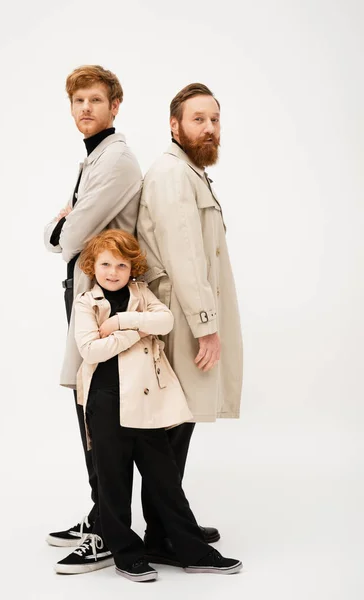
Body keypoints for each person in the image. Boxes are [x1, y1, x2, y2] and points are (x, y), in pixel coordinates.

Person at [55, 229, 243, 582]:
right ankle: (126, 555)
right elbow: (91, 350)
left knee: (165, 481)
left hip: (147, 401)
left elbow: (166, 321)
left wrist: (122, 322)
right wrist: (137, 333)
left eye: (122, 265)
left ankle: (191, 550)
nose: (113, 272)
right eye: (106, 264)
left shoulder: (142, 294)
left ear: (132, 268)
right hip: (105, 401)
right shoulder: (86, 302)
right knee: (113, 482)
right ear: (93, 266)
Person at [137, 83, 243, 565]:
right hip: (180, 322)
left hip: (186, 317)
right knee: (170, 431)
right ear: (174, 124)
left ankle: (165, 528)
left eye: (215, 119)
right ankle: (174, 537)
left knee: (176, 430)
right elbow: (184, 255)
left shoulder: (190, 173)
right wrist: (205, 325)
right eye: (198, 119)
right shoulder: (172, 174)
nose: (209, 128)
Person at [43, 65, 142, 550]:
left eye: (95, 100)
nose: (85, 108)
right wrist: (60, 228)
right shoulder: (93, 158)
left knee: (99, 409)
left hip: (106, 298)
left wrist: (64, 227)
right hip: (84, 292)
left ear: (114, 107)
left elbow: (72, 234)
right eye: (78, 101)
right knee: (86, 405)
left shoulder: (118, 160)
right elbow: (53, 234)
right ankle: (100, 514)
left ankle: (109, 529)